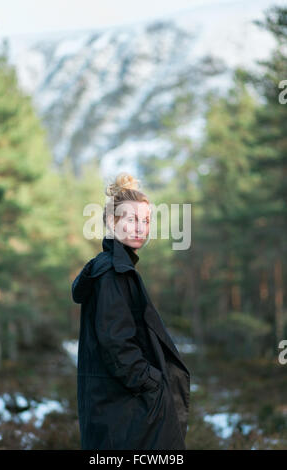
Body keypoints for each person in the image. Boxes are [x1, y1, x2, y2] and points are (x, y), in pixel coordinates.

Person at [71, 172, 190, 450]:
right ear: (112, 223)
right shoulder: (113, 272)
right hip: (125, 409)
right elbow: (116, 342)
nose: (140, 228)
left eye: (146, 221)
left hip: (121, 406)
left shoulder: (115, 269)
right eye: (131, 219)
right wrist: (152, 383)